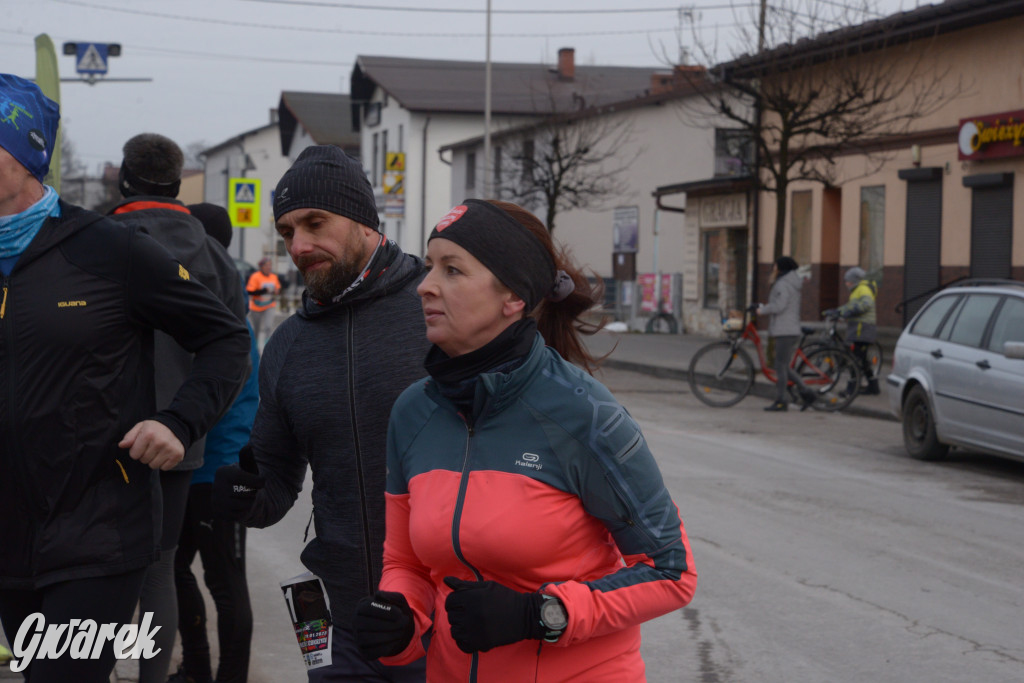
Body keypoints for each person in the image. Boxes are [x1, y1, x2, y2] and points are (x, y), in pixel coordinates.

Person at [351, 199, 698, 681]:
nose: (425, 286)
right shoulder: (414, 412)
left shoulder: (583, 413)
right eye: (429, 266)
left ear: (512, 296)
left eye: (452, 270)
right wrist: (403, 618)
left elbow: (671, 571)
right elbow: (406, 563)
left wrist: (540, 614)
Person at [0, 73, 250, 683]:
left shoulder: (107, 249)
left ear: (27, 153)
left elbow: (225, 337)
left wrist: (179, 420)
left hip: (94, 531)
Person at [212, 144, 429, 682]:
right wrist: (242, 492)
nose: (300, 246)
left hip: (441, 617)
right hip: (337, 619)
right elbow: (274, 487)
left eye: (315, 223)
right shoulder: (287, 345)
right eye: (286, 232)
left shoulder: (437, 310)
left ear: (362, 221)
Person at [107, 133, 250, 683]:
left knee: (91, 568)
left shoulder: (101, 239)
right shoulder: (215, 255)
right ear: (175, 181)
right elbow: (233, 353)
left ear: (125, 178)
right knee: (160, 571)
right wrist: (197, 420)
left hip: (103, 431)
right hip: (179, 436)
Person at [170, 203, 256, 683]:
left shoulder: (222, 317)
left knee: (223, 582)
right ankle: (198, 667)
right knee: (176, 570)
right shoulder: (221, 307)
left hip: (216, 469)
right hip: (196, 465)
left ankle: (226, 676)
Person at [755, 256, 817, 412]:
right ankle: (806, 392)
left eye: (775, 265)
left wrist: (762, 310)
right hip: (788, 328)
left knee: (780, 366)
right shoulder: (791, 282)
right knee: (783, 366)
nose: (773, 267)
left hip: (785, 330)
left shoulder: (783, 284)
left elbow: (779, 306)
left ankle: (782, 401)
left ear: (780, 267)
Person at [824, 266, 880, 395]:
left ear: (855, 280)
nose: (846, 283)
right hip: (859, 329)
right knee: (862, 360)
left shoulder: (863, 289)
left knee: (853, 360)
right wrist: (838, 311)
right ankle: (873, 387)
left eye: (848, 281)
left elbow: (866, 304)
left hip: (862, 329)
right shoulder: (856, 290)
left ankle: (851, 389)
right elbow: (850, 306)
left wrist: (849, 311)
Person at [246, 256, 281, 350]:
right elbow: (250, 292)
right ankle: (255, 348)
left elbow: (277, 289)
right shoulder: (255, 277)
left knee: (268, 327)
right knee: (256, 330)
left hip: (269, 305)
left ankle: (267, 347)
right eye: (267, 265)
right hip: (256, 307)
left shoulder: (273, 277)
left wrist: (276, 291)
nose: (269, 267)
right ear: (261, 267)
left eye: (270, 265)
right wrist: (264, 290)